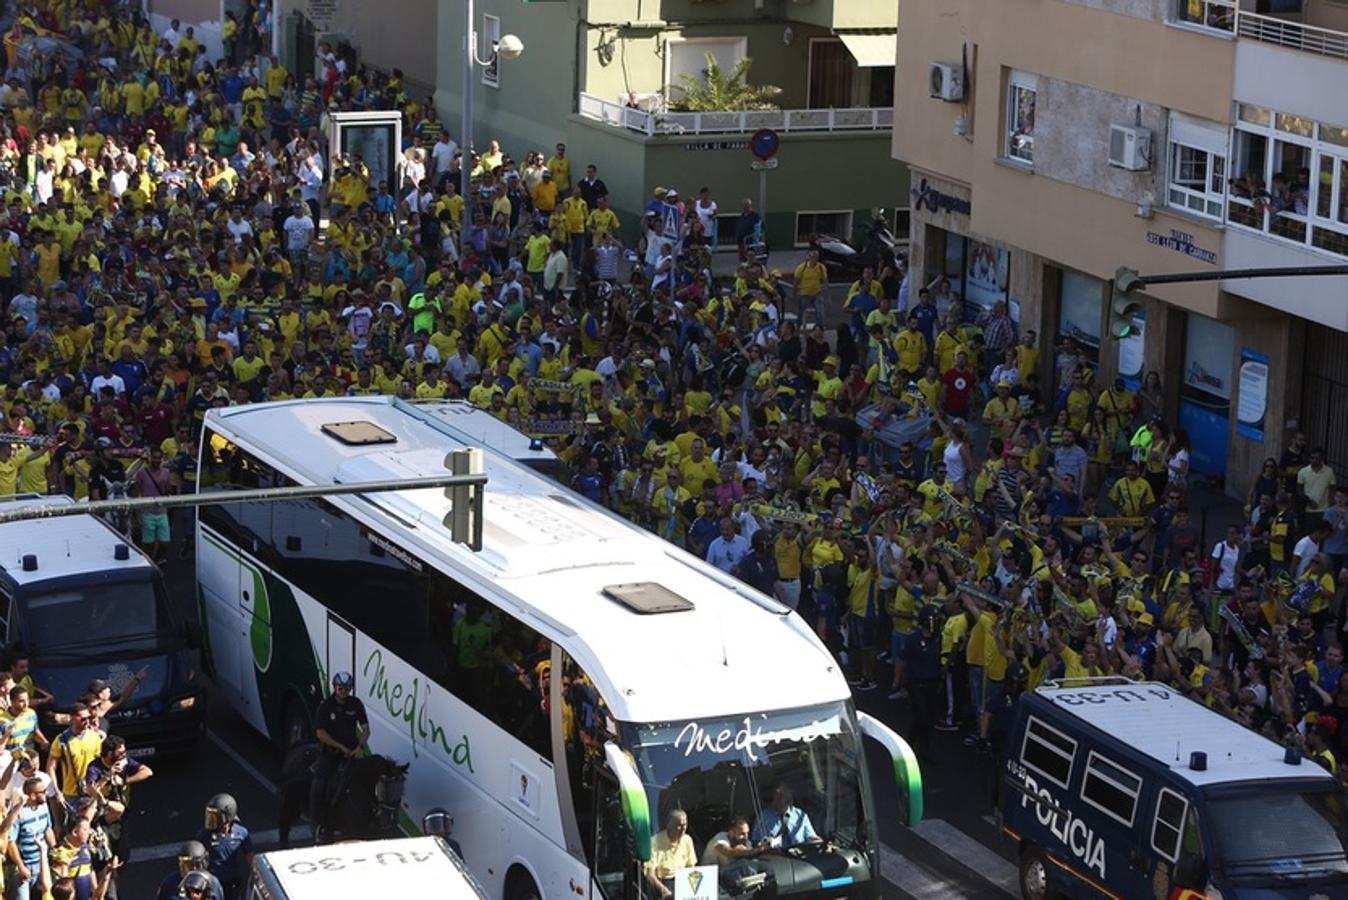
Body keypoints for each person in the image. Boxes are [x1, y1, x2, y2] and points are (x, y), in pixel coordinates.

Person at [310, 671, 369, 838]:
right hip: (331, 753)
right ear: (335, 688)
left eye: (347, 688)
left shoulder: (356, 704)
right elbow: (320, 733)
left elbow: (365, 729)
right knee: (318, 785)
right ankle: (317, 825)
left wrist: (360, 747)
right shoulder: (326, 706)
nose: (344, 692)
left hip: (352, 753)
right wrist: (341, 747)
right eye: (341, 688)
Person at [46, 702, 102, 822]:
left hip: (92, 790)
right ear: (73, 718)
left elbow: (100, 763)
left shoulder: (94, 737)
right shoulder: (61, 740)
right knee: (75, 827)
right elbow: (51, 768)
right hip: (71, 793)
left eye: (88, 718)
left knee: (93, 825)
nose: (87, 721)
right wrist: (57, 792)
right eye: (83, 719)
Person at [195, 793, 253, 900]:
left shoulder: (241, 833)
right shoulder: (204, 835)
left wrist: (255, 871)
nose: (211, 820)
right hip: (212, 883)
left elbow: (249, 855)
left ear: (228, 816)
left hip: (232, 882)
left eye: (215, 817)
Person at [644, 810, 697, 899]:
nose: (683, 828)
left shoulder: (687, 840)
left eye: (685, 825)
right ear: (669, 825)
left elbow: (691, 867)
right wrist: (663, 890)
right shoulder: (654, 842)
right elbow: (649, 874)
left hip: (683, 881)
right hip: (663, 883)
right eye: (679, 825)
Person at [751, 784, 819, 847]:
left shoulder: (801, 816)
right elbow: (755, 843)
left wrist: (822, 843)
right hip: (775, 856)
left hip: (798, 856)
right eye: (777, 795)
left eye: (784, 795)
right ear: (773, 796)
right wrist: (766, 843)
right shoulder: (763, 817)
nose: (781, 799)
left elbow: (811, 837)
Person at [155, 841, 223, 900]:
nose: (181, 866)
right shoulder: (170, 883)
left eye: (186, 863)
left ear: (198, 865)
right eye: (180, 862)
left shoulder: (212, 883)